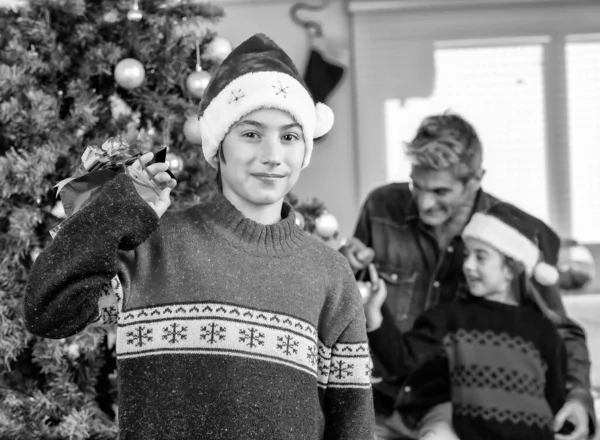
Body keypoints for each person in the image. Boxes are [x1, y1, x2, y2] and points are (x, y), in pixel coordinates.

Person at [24, 33, 374, 440]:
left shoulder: (330, 275)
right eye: (250, 133)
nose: (273, 155)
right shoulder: (151, 251)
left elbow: (353, 424)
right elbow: (50, 311)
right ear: (219, 143)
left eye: (290, 136)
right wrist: (119, 212)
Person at [339, 113, 595, 440]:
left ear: (475, 179)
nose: (423, 201)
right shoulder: (381, 207)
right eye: (416, 185)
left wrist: (577, 398)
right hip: (378, 395)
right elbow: (355, 296)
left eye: (440, 191)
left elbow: (559, 331)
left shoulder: (508, 235)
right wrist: (346, 264)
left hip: (451, 407)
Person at [363, 202, 568, 440]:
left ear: (511, 269)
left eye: (481, 257)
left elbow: (556, 398)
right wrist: (375, 313)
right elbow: (399, 361)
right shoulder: (451, 318)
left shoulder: (544, 330)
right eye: (467, 255)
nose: (468, 265)